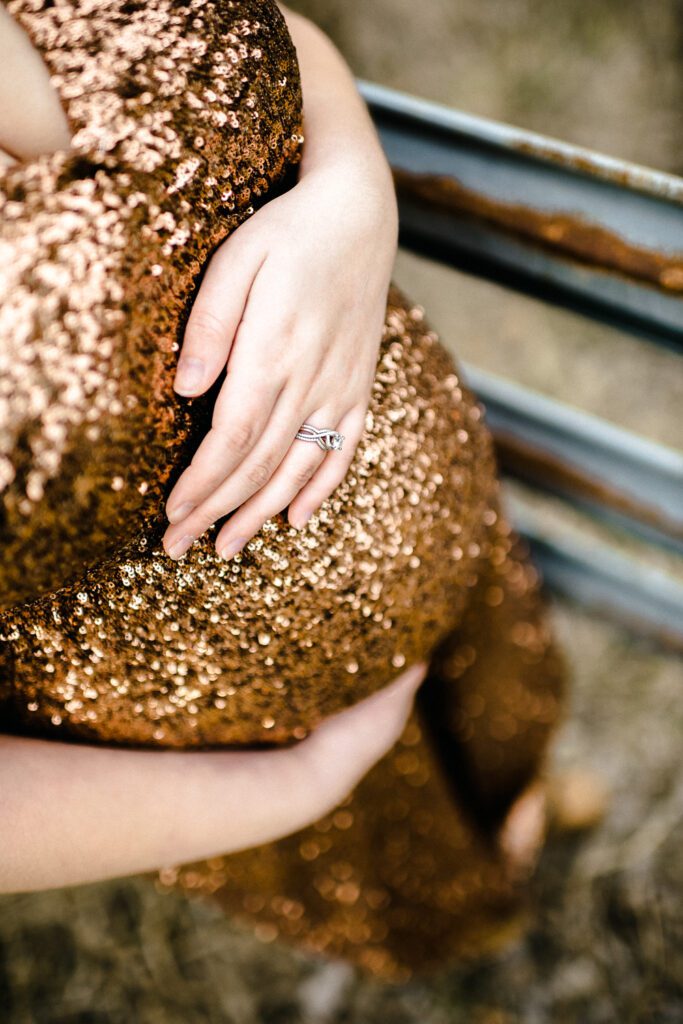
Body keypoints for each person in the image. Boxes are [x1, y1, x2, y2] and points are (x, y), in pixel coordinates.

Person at [0, 0, 564, 980]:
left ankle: (524, 784)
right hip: (226, 724)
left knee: (509, 703)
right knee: (405, 863)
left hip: (445, 512)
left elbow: (253, 32)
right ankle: (474, 914)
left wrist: (351, 187)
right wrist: (302, 786)